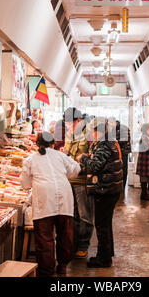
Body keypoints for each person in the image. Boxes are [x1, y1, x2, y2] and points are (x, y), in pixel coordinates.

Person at [21, 132, 81, 277]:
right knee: (65, 234)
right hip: (64, 195)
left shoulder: (30, 159)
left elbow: (25, 184)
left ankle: (46, 271)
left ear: (37, 145)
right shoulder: (60, 156)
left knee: (44, 237)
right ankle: (62, 266)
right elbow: (76, 169)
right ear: (53, 144)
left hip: (44, 198)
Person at [77, 117, 123, 268]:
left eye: (93, 130)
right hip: (111, 188)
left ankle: (103, 259)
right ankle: (106, 254)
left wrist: (83, 158)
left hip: (106, 189)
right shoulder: (110, 141)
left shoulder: (104, 144)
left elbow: (95, 165)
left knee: (102, 224)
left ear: (100, 131)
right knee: (105, 223)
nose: (92, 133)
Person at [63, 107, 93, 259]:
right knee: (72, 214)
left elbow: (93, 159)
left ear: (79, 121)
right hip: (69, 179)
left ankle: (83, 245)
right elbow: (68, 154)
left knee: (84, 215)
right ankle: (73, 244)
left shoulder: (88, 135)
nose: (67, 125)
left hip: (82, 180)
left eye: (69, 123)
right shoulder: (68, 134)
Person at [112, 120, 131, 190]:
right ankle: (120, 186)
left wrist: (115, 141)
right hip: (121, 151)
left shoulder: (123, 128)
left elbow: (125, 139)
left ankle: (122, 186)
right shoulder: (117, 129)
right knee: (120, 169)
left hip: (124, 152)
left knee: (123, 169)